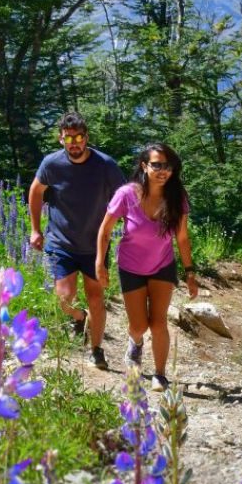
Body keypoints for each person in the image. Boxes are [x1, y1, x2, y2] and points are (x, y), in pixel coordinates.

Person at [95, 142, 198, 392]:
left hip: (163, 265)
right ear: (144, 166)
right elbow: (105, 230)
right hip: (130, 266)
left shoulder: (177, 197)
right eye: (157, 165)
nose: (163, 171)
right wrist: (100, 262)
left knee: (159, 323)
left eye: (168, 166)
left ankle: (160, 375)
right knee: (139, 326)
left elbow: (182, 237)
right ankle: (136, 343)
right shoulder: (126, 194)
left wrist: (190, 272)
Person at [28, 111, 127, 370]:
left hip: (95, 245)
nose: (74, 143)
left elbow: (124, 198)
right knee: (64, 298)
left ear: (87, 137)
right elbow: (35, 192)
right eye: (69, 138)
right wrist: (35, 230)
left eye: (79, 137)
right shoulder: (52, 164)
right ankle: (79, 317)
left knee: (96, 296)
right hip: (61, 242)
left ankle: (96, 350)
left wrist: (127, 229)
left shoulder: (105, 165)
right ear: (61, 139)